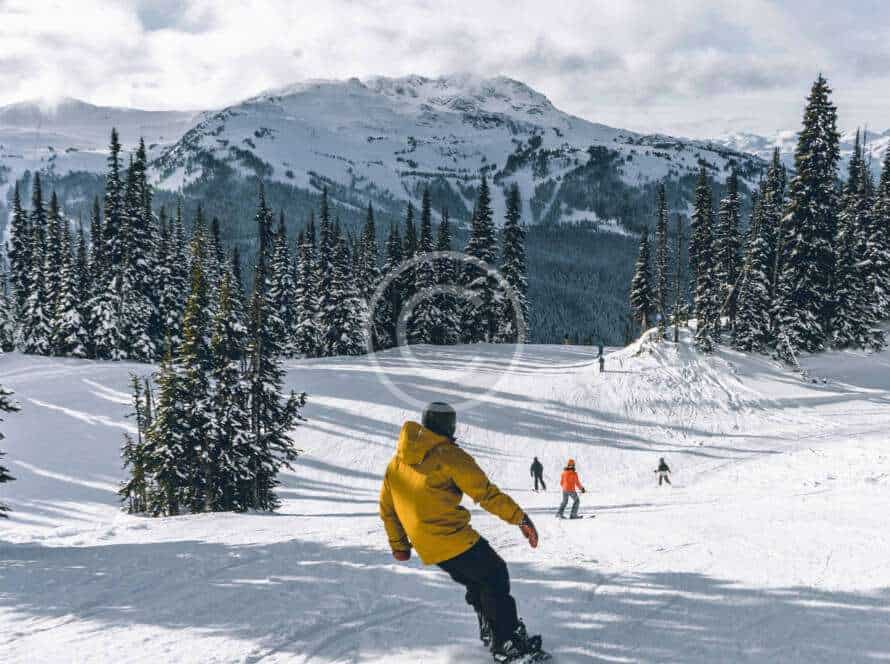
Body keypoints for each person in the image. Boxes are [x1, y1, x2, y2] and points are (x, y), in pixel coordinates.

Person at [379, 402, 547, 662]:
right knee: (494, 574)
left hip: (427, 545)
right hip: (449, 536)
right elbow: (486, 494)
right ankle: (506, 641)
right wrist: (521, 519)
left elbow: (387, 508)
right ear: (447, 425)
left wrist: (399, 545)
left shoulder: (396, 462)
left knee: (477, 580)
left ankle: (492, 627)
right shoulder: (449, 455)